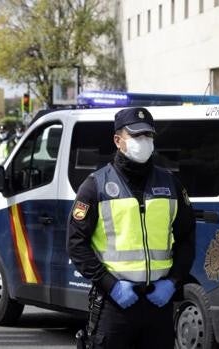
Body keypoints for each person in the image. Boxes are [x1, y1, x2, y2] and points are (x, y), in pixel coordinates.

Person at [67, 107, 196, 349]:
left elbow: (187, 237)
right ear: (118, 141)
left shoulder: (171, 184)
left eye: (148, 136)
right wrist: (109, 284)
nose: (144, 142)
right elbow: (76, 244)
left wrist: (173, 282)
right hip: (115, 304)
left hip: (158, 303)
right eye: (136, 136)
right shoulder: (96, 186)